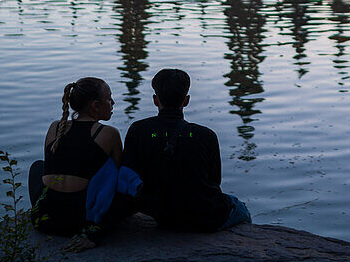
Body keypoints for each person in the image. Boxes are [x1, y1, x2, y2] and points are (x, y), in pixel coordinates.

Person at [120, 68, 251, 232]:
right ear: (186, 100)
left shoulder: (138, 130)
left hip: (161, 214)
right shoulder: (206, 135)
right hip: (203, 215)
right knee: (241, 208)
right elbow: (214, 182)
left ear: (155, 100)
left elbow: (128, 177)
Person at [28, 77, 122, 245]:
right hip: (80, 224)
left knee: (38, 167)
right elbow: (118, 177)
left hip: (43, 220)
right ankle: (97, 231)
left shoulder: (55, 127)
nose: (113, 102)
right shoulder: (109, 134)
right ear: (95, 105)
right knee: (115, 173)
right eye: (109, 98)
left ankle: (43, 206)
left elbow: (55, 165)